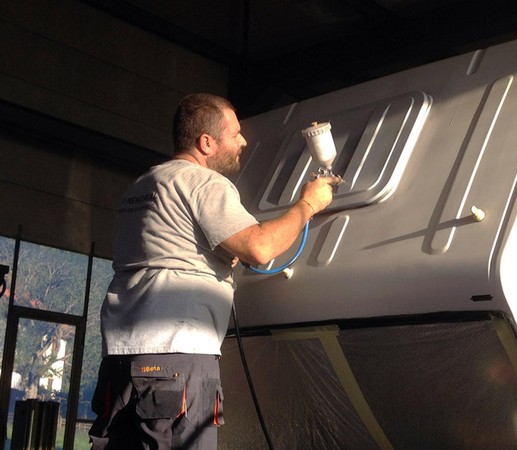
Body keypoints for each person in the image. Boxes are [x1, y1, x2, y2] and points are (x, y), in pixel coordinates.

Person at [88, 93, 338, 449]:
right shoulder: (203, 183)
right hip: (178, 356)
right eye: (234, 134)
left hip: (120, 358)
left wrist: (218, 255)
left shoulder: (142, 186)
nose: (243, 141)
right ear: (206, 143)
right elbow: (260, 247)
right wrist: (308, 204)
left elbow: (168, 250)